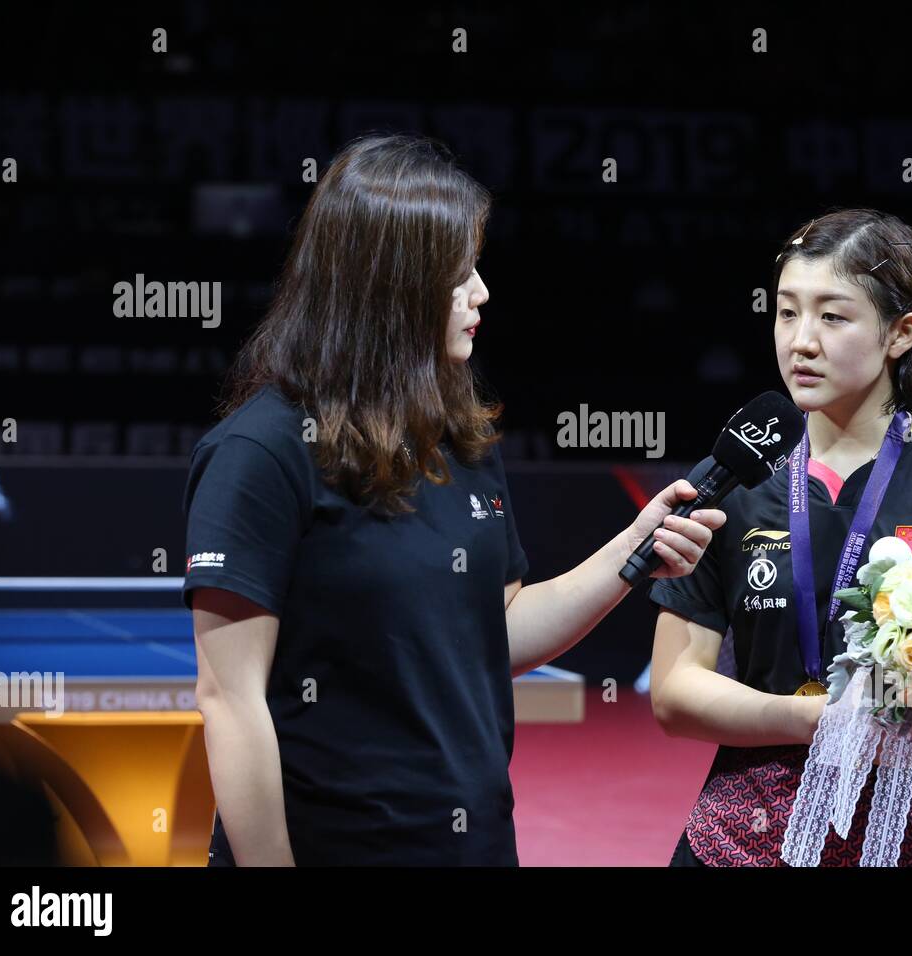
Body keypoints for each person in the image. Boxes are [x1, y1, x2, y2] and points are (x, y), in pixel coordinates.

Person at [182, 132, 726, 866]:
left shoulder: (457, 439)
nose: (481, 293)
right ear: (390, 284)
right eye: (458, 273)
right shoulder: (261, 452)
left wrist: (635, 549)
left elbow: (494, 635)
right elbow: (229, 698)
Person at [649, 208, 912, 866]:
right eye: (786, 312)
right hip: (746, 844)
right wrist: (813, 719)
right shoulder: (729, 478)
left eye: (832, 316)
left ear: (901, 333)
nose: (801, 341)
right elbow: (673, 693)